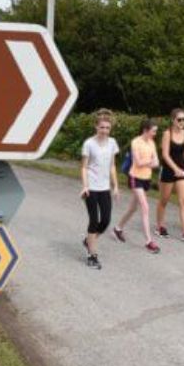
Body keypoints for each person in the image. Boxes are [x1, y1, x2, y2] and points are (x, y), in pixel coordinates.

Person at [79, 109, 120, 269]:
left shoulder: (112, 143)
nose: (104, 131)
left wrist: (115, 186)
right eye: (102, 127)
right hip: (91, 187)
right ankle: (92, 254)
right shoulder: (89, 144)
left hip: (104, 187)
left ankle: (89, 240)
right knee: (94, 220)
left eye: (107, 128)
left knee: (106, 220)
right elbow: (83, 167)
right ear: (96, 127)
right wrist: (85, 186)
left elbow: (112, 166)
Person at [114, 119, 161, 253]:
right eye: (154, 131)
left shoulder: (152, 143)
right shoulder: (136, 142)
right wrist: (150, 161)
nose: (155, 133)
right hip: (135, 178)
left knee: (133, 208)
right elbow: (138, 163)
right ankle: (148, 241)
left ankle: (118, 228)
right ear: (146, 130)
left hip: (146, 179)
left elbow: (157, 162)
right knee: (145, 207)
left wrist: (149, 162)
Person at [156, 108, 184, 242]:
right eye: (179, 119)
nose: (182, 122)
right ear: (173, 120)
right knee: (164, 200)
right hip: (168, 170)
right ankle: (160, 226)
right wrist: (175, 169)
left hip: (181, 170)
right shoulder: (167, 134)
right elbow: (165, 155)